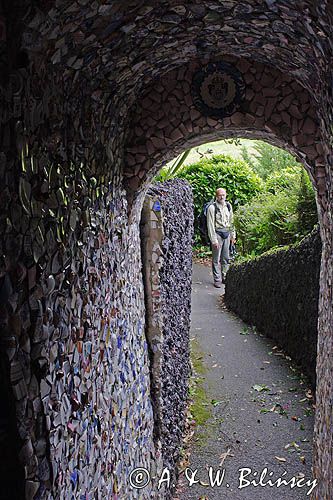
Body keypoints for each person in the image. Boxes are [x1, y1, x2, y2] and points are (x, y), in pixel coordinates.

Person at [207, 188, 236, 288]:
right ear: (216, 195)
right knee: (216, 259)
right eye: (220, 195)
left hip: (227, 234)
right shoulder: (212, 208)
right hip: (218, 234)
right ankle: (217, 279)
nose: (222, 197)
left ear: (226, 195)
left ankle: (225, 276)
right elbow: (210, 225)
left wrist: (233, 235)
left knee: (226, 258)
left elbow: (232, 221)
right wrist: (214, 240)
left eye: (223, 195)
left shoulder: (228, 206)